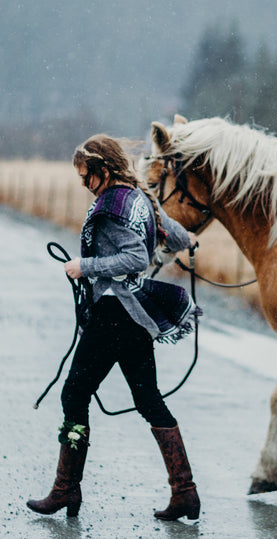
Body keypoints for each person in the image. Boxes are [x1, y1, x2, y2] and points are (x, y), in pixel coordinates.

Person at [27, 133, 201, 521]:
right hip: (135, 314)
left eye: (86, 177)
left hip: (113, 314)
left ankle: (66, 489)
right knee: (148, 399)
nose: (84, 185)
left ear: (103, 170)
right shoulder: (140, 198)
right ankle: (185, 492)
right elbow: (169, 230)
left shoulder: (110, 205)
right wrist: (187, 238)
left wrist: (82, 266)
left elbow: (135, 256)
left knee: (74, 394)